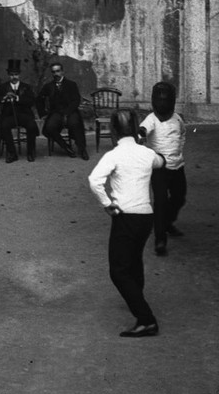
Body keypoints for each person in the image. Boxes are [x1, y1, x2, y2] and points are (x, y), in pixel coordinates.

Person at [87, 108, 165, 337]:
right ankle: (136, 295)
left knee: (118, 271)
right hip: (145, 215)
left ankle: (146, 319)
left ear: (113, 131)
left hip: (125, 216)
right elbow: (161, 162)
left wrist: (106, 203)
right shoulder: (146, 153)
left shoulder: (113, 155)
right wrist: (144, 147)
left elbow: (94, 180)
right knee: (134, 259)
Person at [142, 81, 187, 255]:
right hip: (158, 168)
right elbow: (143, 129)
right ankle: (160, 240)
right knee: (160, 202)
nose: (162, 102)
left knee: (179, 198)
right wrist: (140, 135)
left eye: (165, 99)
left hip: (177, 166)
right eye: (159, 99)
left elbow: (182, 134)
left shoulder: (177, 118)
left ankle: (167, 223)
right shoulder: (151, 119)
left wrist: (178, 151)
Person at [0, 58, 38, 162]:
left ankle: (30, 152)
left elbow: (31, 101)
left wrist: (17, 98)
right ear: (8, 75)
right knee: (4, 126)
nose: (13, 77)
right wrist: (3, 98)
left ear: (19, 75)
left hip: (24, 115)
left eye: (15, 74)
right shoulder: (3, 87)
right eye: (11, 74)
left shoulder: (26, 87)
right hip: (9, 115)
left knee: (32, 125)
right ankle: (12, 153)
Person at [37, 61, 87, 158]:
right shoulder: (48, 86)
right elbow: (39, 99)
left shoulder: (71, 84)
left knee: (75, 124)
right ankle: (65, 147)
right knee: (49, 127)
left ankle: (82, 149)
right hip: (56, 113)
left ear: (62, 72)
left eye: (58, 71)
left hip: (70, 111)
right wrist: (43, 113)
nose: (56, 74)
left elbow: (76, 100)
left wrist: (67, 113)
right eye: (53, 72)